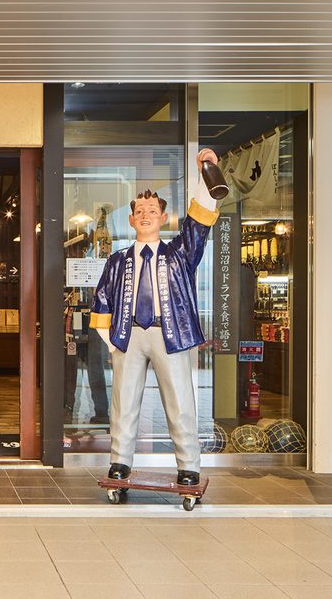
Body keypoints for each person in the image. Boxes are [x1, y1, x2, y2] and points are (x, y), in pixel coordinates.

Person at [90, 148, 220, 487]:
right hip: (128, 334)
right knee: (124, 403)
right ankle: (120, 462)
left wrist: (206, 175)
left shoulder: (180, 253)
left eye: (152, 210)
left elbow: (199, 223)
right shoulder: (117, 260)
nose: (145, 215)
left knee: (180, 401)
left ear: (163, 217)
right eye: (139, 212)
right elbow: (101, 300)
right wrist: (113, 342)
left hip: (169, 334)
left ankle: (189, 465)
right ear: (131, 220)